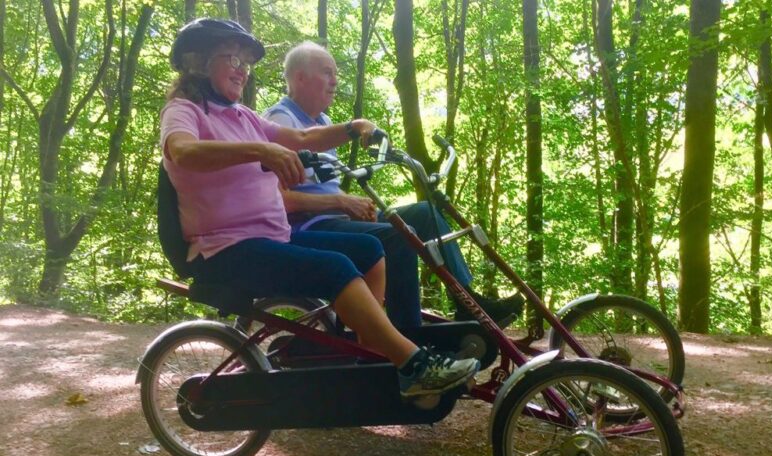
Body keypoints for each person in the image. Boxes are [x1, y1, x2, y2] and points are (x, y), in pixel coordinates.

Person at [160, 18, 479, 397]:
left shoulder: (243, 117)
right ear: (198, 62)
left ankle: (372, 352)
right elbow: (182, 151)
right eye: (232, 58)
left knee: (372, 248)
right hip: (224, 248)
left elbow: (301, 137)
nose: (242, 70)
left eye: (246, 62)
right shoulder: (184, 110)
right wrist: (261, 149)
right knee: (337, 267)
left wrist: (351, 127)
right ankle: (413, 367)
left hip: (270, 238)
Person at [264, 41, 524, 329]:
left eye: (335, 73)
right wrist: (341, 202)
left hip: (333, 217)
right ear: (300, 77)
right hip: (308, 226)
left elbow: (322, 184)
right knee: (400, 236)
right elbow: (278, 200)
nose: (335, 80)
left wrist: (348, 203)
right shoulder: (280, 120)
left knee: (426, 212)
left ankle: (467, 303)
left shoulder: (321, 121)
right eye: (327, 72)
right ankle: (407, 334)